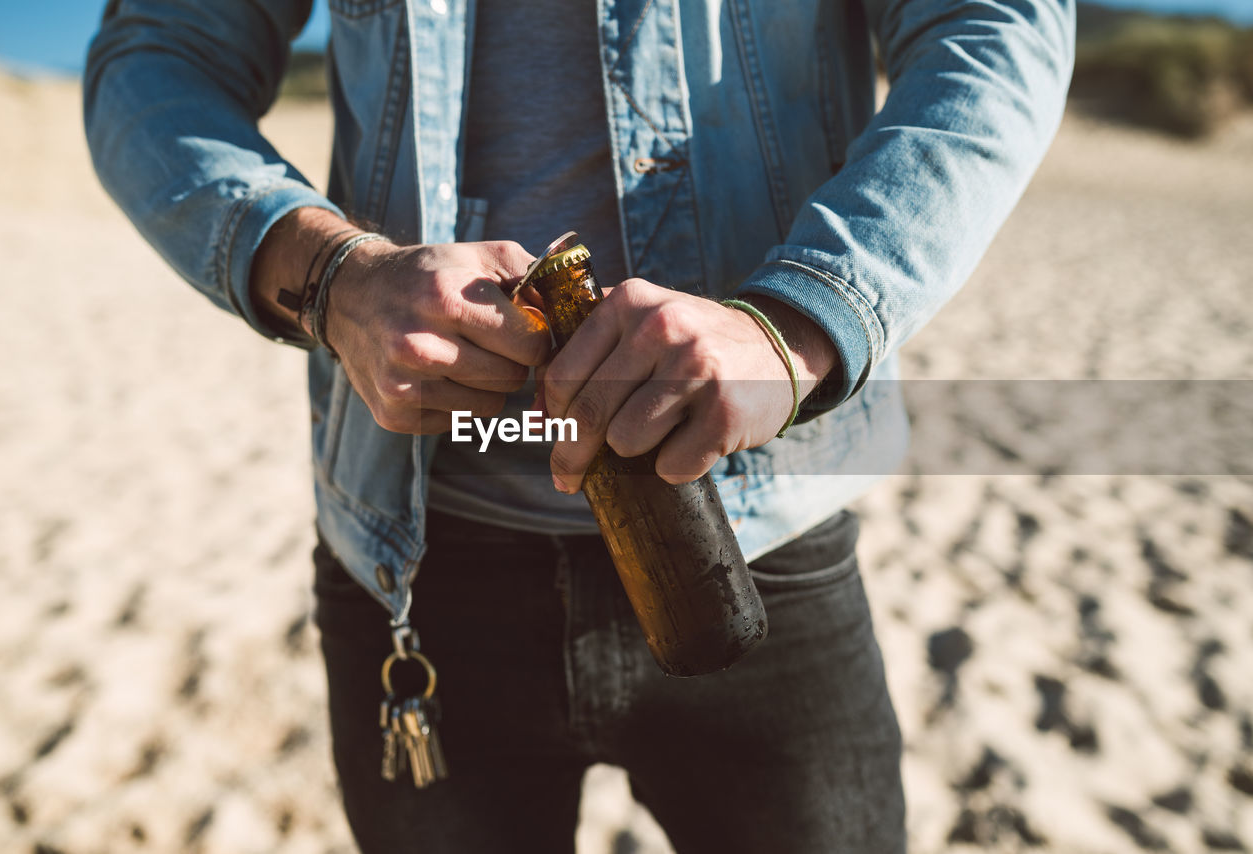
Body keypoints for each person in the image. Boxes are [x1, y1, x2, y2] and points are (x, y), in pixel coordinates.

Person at [84, 0, 1074, 850]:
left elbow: (991, 22)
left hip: (764, 539)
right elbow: (162, 49)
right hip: (412, 556)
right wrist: (327, 275)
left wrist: (800, 321)